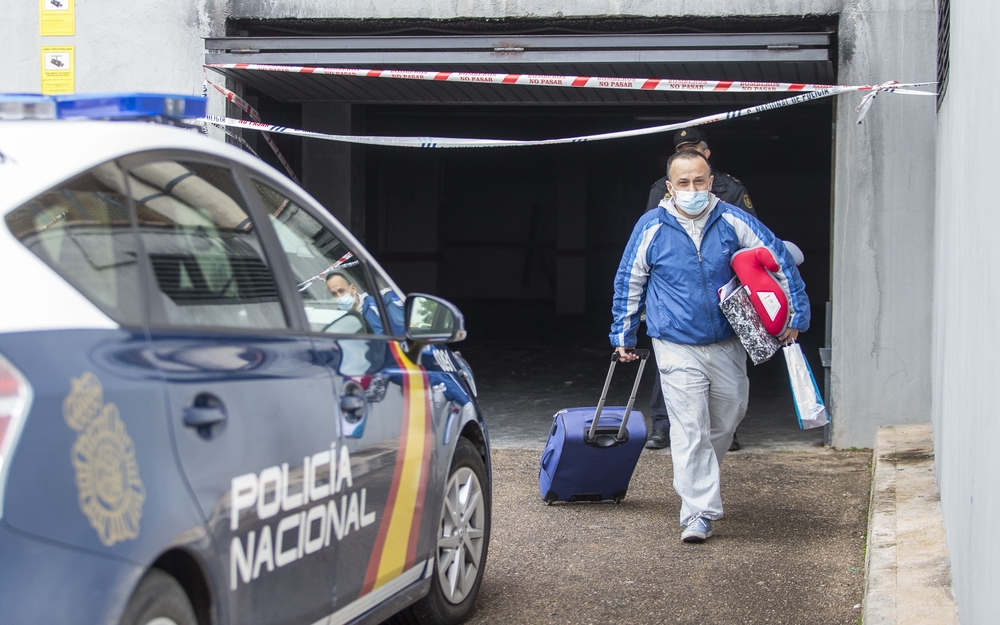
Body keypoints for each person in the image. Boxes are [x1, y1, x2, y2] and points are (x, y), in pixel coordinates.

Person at [611, 150, 809, 543]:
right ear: (670, 187)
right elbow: (629, 279)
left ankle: (701, 479)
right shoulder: (651, 226)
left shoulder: (734, 220)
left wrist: (795, 317)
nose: (692, 189)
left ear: (711, 181)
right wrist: (623, 336)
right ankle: (698, 512)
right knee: (689, 428)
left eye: (699, 181)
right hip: (675, 341)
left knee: (730, 414)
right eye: (683, 183)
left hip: (727, 339)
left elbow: (781, 261)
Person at [644, 128, 756, 451]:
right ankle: (662, 426)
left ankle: (726, 431)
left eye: (692, 148)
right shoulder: (659, 191)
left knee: (730, 385)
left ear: (706, 154)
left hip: (724, 298)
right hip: (676, 298)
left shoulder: (729, 189)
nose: (686, 154)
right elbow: (647, 245)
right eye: (681, 149)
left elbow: (752, 243)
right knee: (671, 367)